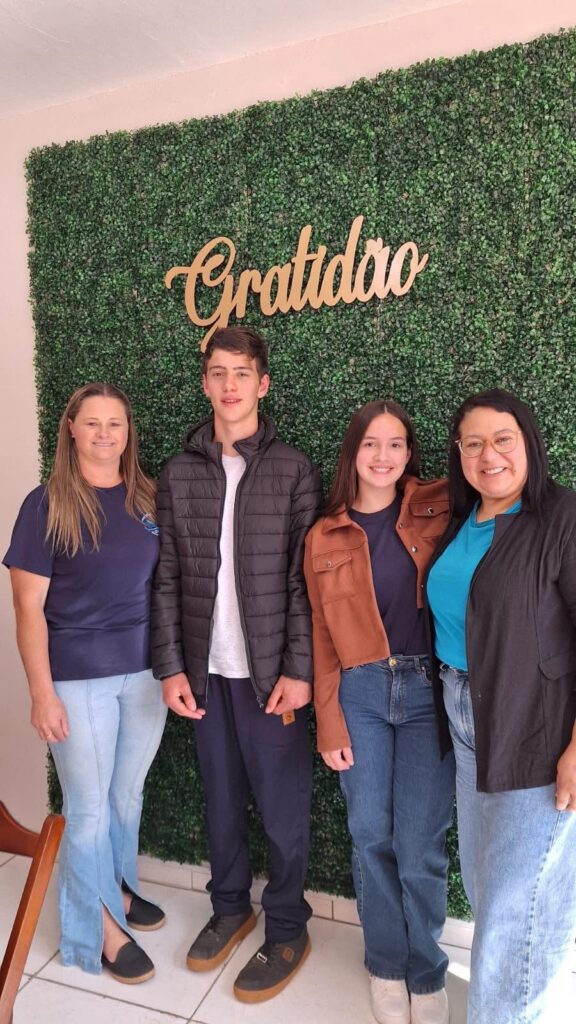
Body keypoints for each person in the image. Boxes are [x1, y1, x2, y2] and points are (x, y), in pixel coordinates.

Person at [151, 326, 321, 1003]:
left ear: (262, 384)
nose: (229, 385)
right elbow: (167, 576)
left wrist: (300, 671)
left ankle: (287, 926)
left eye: (242, 373)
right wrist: (171, 667)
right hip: (205, 674)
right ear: (205, 383)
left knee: (282, 811)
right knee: (219, 801)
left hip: (270, 675)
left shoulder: (293, 469)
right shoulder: (178, 472)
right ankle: (229, 908)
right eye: (218, 372)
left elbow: (304, 582)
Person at [3, 382, 168, 984]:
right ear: (70, 429)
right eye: (92, 423)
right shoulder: (44, 505)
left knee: (126, 797)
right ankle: (93, 930)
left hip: (145, 674)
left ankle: (117, 889)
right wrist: (42, 693)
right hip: (77, 678)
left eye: (115, 424)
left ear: (128, 433)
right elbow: (27, 609)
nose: (104, 434)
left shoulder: (147, 499)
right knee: (90, 808)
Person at [426, 388, 576, 1024]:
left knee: (518, 910)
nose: (489, 455)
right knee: (490, 888)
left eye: (502, 439)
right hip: (466, 721)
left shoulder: (561, 517)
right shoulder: (465, 520)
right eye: (473, 443)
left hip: (534, 728)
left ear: (529, 443)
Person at [304, 400, 455, 1024]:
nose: (383, 456)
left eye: (395, 444)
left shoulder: (438, 507)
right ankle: (387, 965)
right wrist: (328, 718)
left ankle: (427, 970)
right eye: (371, 443)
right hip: (359, 693)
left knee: (419, 844)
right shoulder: (325, 534)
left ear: (409, 453)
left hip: (427, 692)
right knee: (371, 835)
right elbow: (320, 632)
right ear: (353, 451)